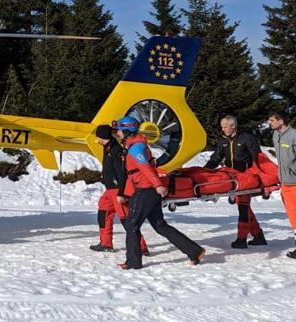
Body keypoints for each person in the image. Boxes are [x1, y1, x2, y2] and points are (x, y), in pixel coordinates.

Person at [114, 116, 206, 270]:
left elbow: (145, 168)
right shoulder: (133, 145)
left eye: (119, 129)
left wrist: (157, 185)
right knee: (159, 225)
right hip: (147, 189)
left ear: (127, 130)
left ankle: (133, 261)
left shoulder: (136, 148)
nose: (117, 132)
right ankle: (194, 251)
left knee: (132, 224)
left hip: (146, 189)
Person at [203, 115, 267, 248]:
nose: (223, 129)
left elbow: (258, 158)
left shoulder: (247, 139)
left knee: (243, 207)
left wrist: (260, 177)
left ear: (233, 126)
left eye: (225, 127)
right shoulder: (223, 140)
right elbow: (216, 158)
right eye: (222, 127)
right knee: (245, 206)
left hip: (246, 178)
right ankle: (258, 236)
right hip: (231, 179)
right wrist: (204, 172)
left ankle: (241, 240)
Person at [90, 125, 149, 255]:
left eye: (98, 136)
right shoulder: (108, 148)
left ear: (103, 136)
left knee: (126, 218)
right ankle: (106, 243)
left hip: (117, 190)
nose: (97, 139)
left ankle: (141, 247)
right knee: (103, 212)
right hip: (109, 189)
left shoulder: (116, 150)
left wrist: (122, 193)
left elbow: (122, 174)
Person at [267, 110, 296, 258]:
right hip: (285, 183)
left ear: (281, 121)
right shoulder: (276, 135)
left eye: (272, 120)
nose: (270, 123)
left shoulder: (295, 136)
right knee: (293, 216)